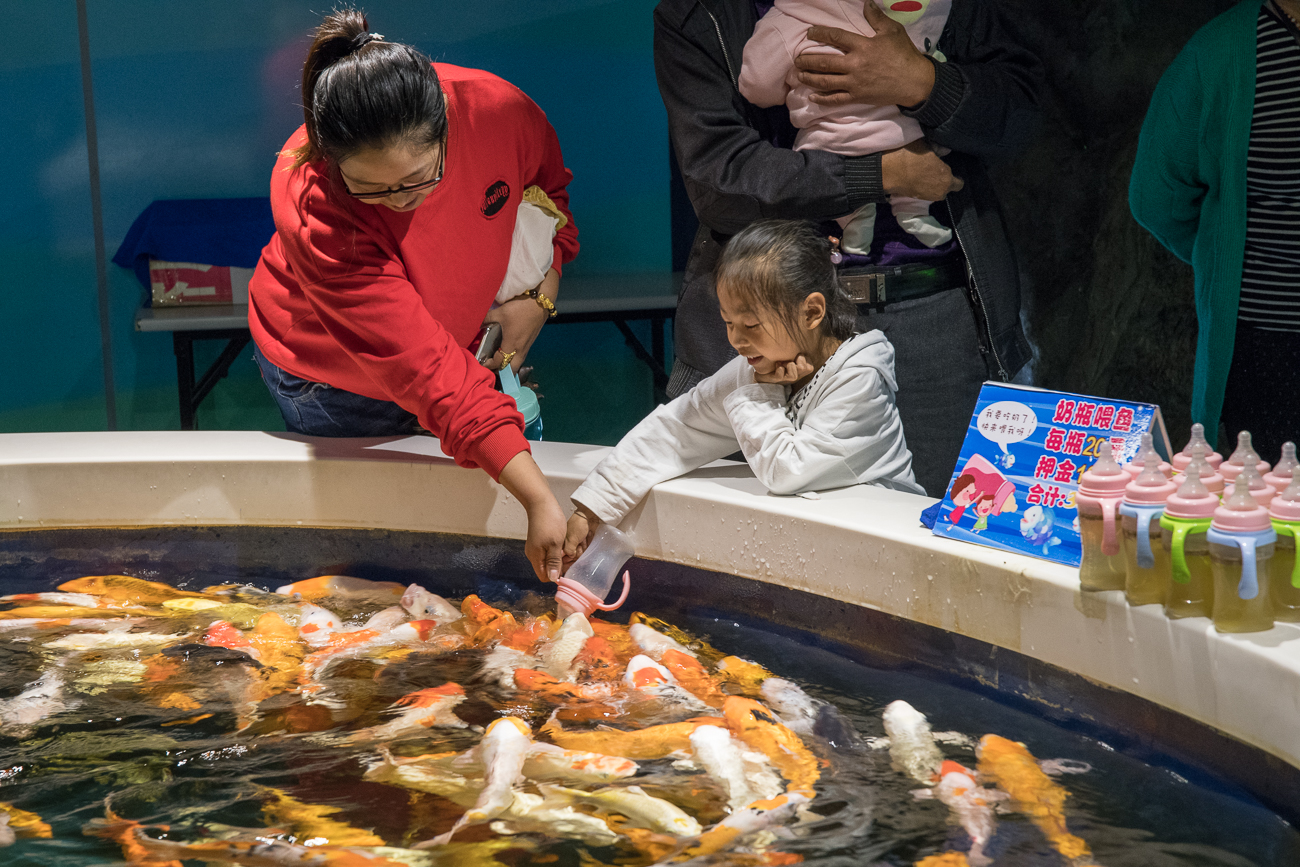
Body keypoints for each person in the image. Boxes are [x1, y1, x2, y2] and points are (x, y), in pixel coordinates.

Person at [654, 0, 1041, 498]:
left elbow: (1021, 115)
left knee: (939, 535)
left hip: (930, 316)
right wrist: (879, 175)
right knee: (759, 542)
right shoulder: (701, 13)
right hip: (770, 319)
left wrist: (923, 83)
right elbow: (718, 181)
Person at [248, 10, 578, 582]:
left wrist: (541, 293)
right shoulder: (313, 201)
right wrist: (540, 500)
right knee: (380, 569)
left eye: (420, 177)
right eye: (370, 188)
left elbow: (548, 200)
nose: (400, 200)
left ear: (448, 129)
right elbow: (425, 371)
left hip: (457, 349)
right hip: (335, 374)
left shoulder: (498, 111)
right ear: (331, 161)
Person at [564, 220, 922, 558]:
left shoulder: (859, 377)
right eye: (728, 323)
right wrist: (592, 507)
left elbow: (788, 471)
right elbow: (678, 428)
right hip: (817, 544)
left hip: (883, 546)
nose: (736, 339)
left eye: (751, 324)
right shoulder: (757, 366)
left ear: (811, 312)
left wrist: (763, 391)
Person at [1130, 0, 1300, 460]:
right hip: (1268, 348)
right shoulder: (1221, 52)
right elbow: (1156, 195)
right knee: (1270, 512)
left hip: (1267, 342)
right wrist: (1224, 256)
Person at [738, 0, 953, 254]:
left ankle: (855, 218)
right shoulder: (918, 10)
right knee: (928, 154)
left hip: (834, 139)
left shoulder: (794, 15)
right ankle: (913, 211)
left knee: (825, 164)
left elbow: (756, 86)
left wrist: (786, 85)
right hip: (908, 131)